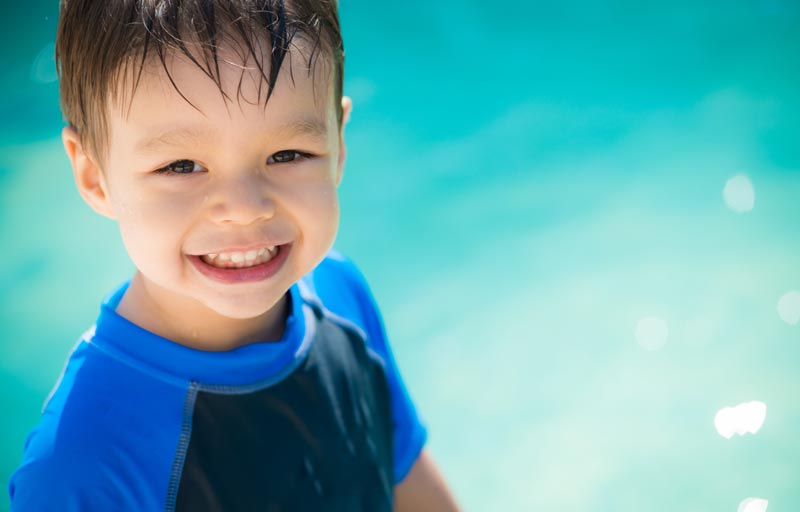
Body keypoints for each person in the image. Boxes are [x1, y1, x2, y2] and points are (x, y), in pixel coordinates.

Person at [8, 1, 460, 510]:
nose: (244, 210)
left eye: (287, 154)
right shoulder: (81, 466)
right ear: (94, 177)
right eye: (181, 165)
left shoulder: (340, 294)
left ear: (339, 143)